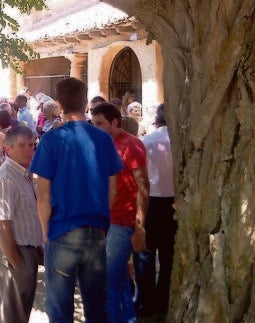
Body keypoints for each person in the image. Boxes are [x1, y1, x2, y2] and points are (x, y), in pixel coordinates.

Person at [30, 78, 123, 322]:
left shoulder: (51, 140)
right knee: (96, 307)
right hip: (95, 230)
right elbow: (112, 189)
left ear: (58, 104)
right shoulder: (104, 139)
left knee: (60, 309)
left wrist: (44, 232)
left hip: (61, 230)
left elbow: (43, 194)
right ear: (85, 102)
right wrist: (103, 222)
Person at [91, 102, 149, 323]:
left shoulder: (131, 146)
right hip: (106, 221)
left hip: (123, 222)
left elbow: (143, 188)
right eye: (93, 123)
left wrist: (139, 227)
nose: (95, 127)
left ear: (114, 122)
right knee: (117, 280)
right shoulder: (103, 144)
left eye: (100, 123)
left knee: (109, 280)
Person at [0, 126, 43, 323]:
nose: (28, 150)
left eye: (31, 145)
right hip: (14, 251)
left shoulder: (22, 173)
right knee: (13, 314)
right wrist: (17, 262)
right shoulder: (6, 179)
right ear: (7, 149)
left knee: (20, 312)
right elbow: (2, 226)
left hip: (26, 250)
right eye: (21, 146)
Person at [133, 103, 177, 317]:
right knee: (168, 255)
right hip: (174, 203)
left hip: (150, 201)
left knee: (145, 254)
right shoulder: (180, 142)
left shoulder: (146, 142)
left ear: (156, 119)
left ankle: (144, 301)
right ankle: (163, 300)